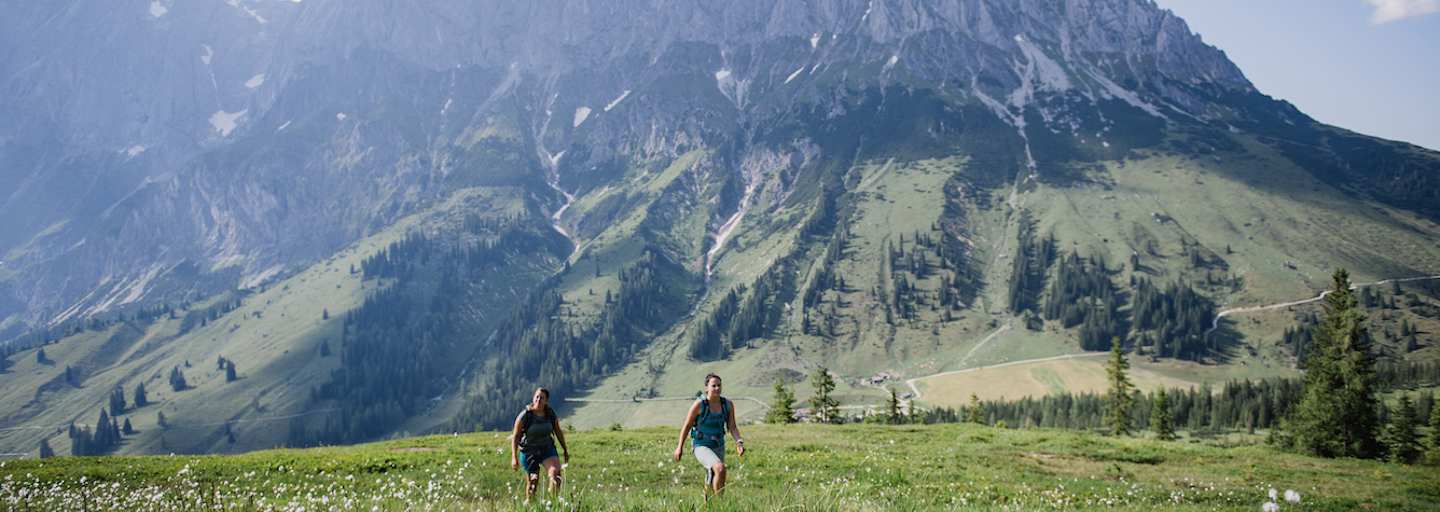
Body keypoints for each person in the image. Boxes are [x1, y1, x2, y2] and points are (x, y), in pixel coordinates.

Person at [673, 373, 745, 498]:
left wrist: (739, 442)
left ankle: (709, 506)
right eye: (713, 386)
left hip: (718, 445)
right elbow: (687, 425)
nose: (717, 388)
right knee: (720, 468)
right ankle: (719, 504)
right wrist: (680, 447)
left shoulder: (727, 405)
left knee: (714, 475)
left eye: (719, 385)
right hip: (701, 445)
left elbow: (732, 426)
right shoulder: (699, 405)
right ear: (707, 388)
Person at [510, 387, 570, 501]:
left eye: (542, 398)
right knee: (533, 482)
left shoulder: (550, 414)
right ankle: (531, 505)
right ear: (533, 398)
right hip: (529, 451)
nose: (538, 399)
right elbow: (516, 436)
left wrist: (565, 449)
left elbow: (558, 431)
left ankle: (552, 503)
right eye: (536, 397)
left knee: (556, 475)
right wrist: (514, 457)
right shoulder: (525, 415)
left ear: (546, 401)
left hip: (547, 448)